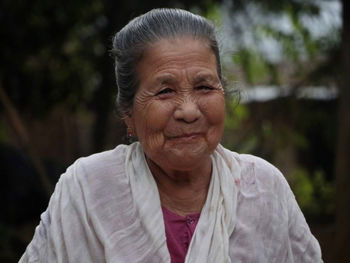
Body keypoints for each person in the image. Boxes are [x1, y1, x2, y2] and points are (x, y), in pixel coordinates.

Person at [19, 8, 323, 263]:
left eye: (204, 87)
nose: (189, 111)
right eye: (165, 91)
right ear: (129, 113)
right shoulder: (88, 190)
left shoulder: (264, 189)